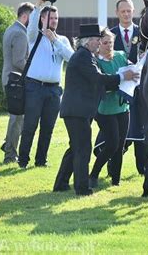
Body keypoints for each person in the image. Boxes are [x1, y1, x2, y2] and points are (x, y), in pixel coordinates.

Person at [53, 24, 139, 196]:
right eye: (97, 40)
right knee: (82, 149)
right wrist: (123, 76)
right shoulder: (84, 56)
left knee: (75, 148)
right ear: (88, 41)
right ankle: (82, 188)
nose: (99, 43)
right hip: (78, 111)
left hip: (77, 110)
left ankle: (61, 183)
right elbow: (99, 79)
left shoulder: (86, 56)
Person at [17, 0, 74, 168]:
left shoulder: (62, 40)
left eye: (57, 18)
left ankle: (41, 160)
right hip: (34, 87)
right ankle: (23, 160)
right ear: (43, 19)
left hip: (54, 90)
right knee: (30, 126)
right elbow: (31, 27)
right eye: (51, 17)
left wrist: (55, 41)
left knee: (48, 127)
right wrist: (38, 6)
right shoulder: (34, 36)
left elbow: (71, 58)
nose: (55, 21)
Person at [90, 28, 130, 188]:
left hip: (122, 106)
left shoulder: (121, 56)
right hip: (104, 109)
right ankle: (93, 175)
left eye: (110, 42)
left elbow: (129, 73)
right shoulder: (96, 62)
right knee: (112, 143)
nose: (108, 46)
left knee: (121, 144)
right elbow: (102, 84)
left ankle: (116, 179)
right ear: (99, 44)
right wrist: (120, 81)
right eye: (105, 43)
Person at [109, 0, 145, 174]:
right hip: (118, 91)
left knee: (140, 126)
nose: (126, 14)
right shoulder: (110, 35)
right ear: (117, 13)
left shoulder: (143, 32)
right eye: (122, 11)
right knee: (116, 131)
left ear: (133, 11)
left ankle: (142, 167)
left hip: (140, 90)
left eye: (129, 10)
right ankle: (113, 168)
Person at [0, 2, 34, 164]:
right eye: (32, 19)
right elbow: (19, 61)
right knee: (17, 119)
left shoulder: (10, 29)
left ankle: (8, 145)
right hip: (16, 80)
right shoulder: (20, 33)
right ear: (25, 16)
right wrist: (34, 70)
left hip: (9, 78)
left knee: (17, 118)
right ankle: (10, 154)